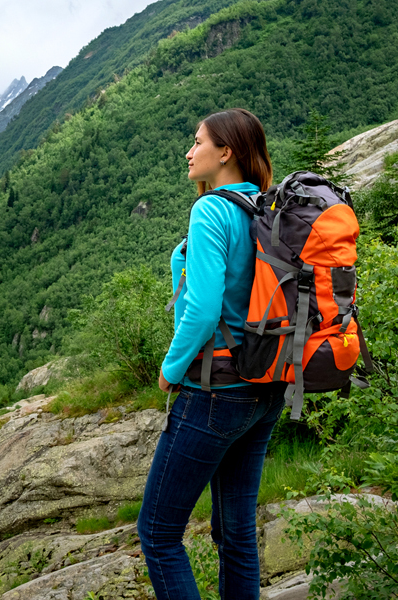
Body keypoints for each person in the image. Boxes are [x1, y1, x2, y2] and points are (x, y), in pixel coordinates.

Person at [137, 108, 285, 600]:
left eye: (196, 141)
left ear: (225, 152)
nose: (188, 151)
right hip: (267, 387)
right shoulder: (267, 207)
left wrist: (168, 370)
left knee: (158, 534)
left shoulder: (211, 211)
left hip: (216, 392)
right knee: (236, 533)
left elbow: (201, 311)